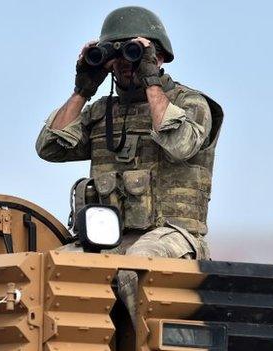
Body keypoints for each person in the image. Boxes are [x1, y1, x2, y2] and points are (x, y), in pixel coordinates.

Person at [35, 5, 224, 324]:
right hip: (109, 239)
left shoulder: (190, 104)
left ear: (159, 56)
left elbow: (181, 145)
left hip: (173, 236)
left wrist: (151, 81)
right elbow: (50, 147)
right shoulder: (101, 112)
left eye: (134, 52)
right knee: (57, 268)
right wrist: (83, 89)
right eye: (117, 55)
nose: (125, 63)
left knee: (136, 266)